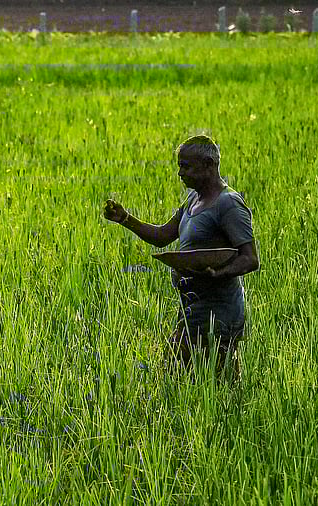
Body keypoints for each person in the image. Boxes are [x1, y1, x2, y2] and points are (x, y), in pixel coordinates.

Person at [102, 135, 259, 378]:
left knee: (202, 378)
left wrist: (219, 272)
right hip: (192, 307)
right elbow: (163, 235)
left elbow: (249, 259)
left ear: (209, 165)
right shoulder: (193, 200)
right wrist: (125, 219)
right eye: (179, 166)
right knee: (186, 377)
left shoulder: (228, 204)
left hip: (218, 311)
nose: (180, 173)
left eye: (186, 166)